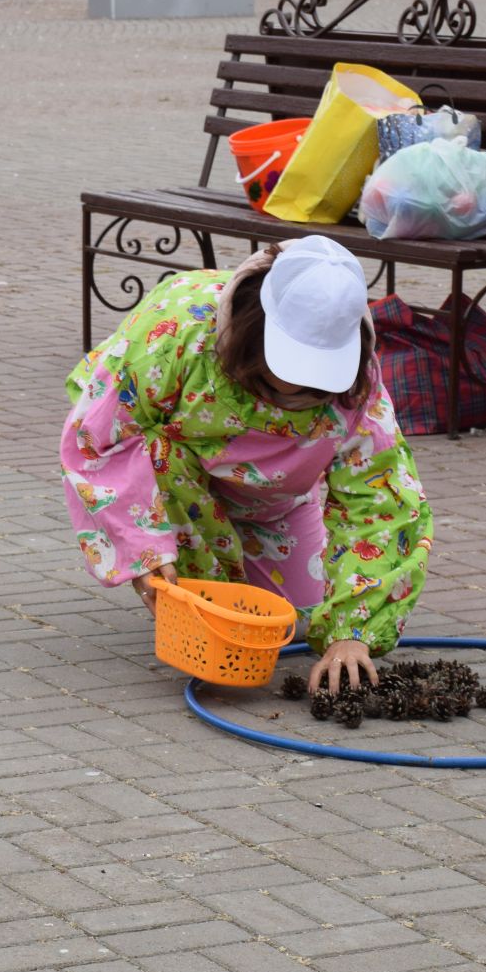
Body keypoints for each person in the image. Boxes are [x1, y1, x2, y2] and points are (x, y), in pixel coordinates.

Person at [59, 238, 433, 693]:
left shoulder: (360, 380)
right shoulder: (176, 329)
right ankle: (191, 582)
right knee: (223, 622)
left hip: (273, 503)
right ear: (255, 331)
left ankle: (249, 555)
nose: (302, 388)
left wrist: (353, 634)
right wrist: (142, 550)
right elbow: (98, 441)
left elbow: (382, 499)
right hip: (178, 489)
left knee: (297, 621)